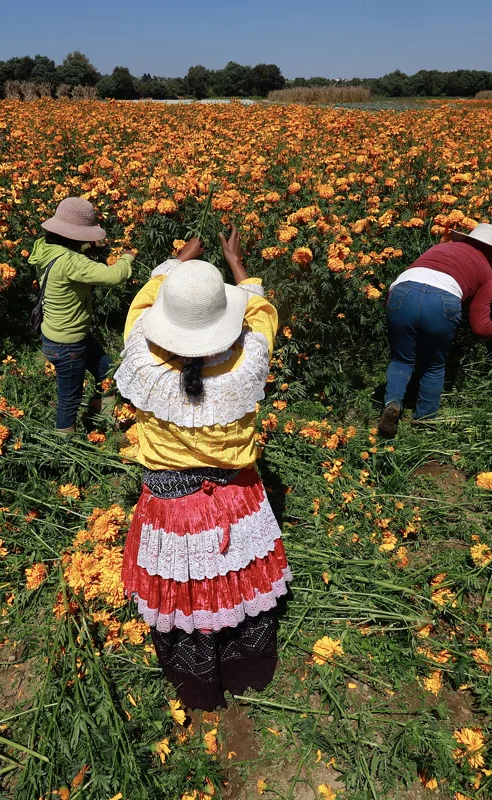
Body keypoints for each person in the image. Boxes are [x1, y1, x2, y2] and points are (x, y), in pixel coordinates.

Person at [117, 226, 290, 711]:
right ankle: (246, 666)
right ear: (224, 322)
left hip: (169, 502)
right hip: (235, 494)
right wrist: (237, 265)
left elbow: (141, 305)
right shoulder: (249, 358)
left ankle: (196, 682)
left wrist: (177, 261)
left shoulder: (141, 355)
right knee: (236, 581)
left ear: (164, 319)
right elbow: (261, 313)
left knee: (187, 592)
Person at [377, 223, 492, 437]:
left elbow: (409, 278)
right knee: (433, 366)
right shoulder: (486, 272)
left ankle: (393, 403)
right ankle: (424, 424)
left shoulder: (440, 248)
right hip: (442, 299)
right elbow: (481, 327)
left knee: (401, 359)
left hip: (401, 292)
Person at [29, 197, 136, 434]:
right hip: (68, 345)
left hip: (61, 335)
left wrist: (87, 249)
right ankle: (63, 446)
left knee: (106, 371)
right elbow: (113, 277)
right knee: (69, 398)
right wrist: (128, 257)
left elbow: (69, 260)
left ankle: (111, 419)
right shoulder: (71, 261)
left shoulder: (44, 248)